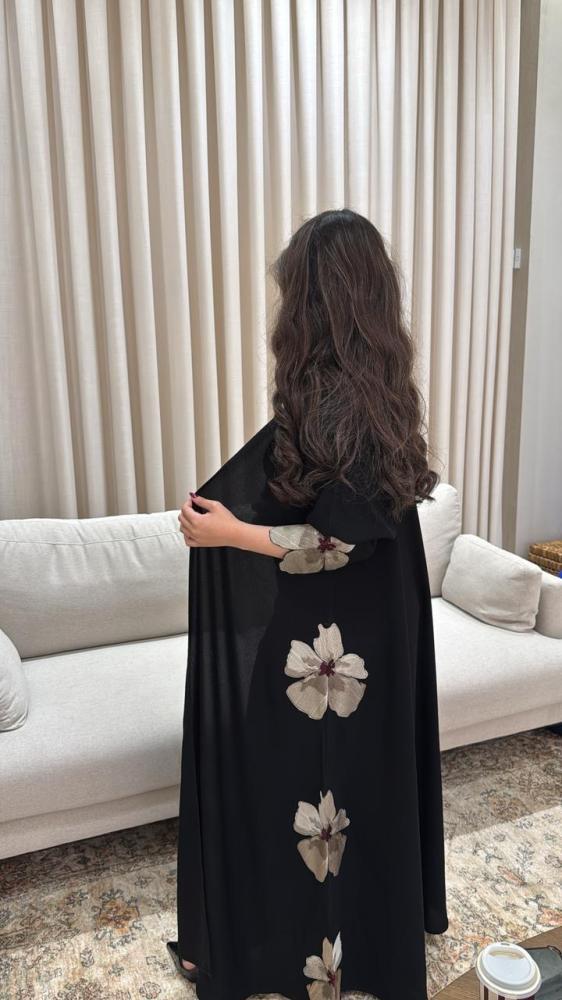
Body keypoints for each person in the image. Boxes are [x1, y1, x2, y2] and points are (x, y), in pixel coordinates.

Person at [167, 208, 448, 1000]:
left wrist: (228, 533)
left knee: (294, 787)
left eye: (295, 292)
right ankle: (337, 944)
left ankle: (285, 952)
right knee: (349, 790)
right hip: (370, 638)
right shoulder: (382, 395)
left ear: (321, 301)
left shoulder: (340, 403)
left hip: (326, 651)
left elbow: (338, 542)